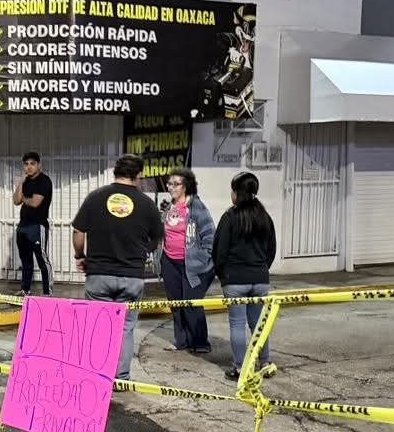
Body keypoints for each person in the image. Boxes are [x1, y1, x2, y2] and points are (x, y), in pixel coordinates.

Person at [71, 154, 163, 381]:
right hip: (131, 276)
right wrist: (142, 250)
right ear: (138, 175)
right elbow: (158, 238)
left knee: (98, 327)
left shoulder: (95, 198)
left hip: (99, 274)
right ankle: (121, 377)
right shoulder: (146, 203)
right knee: (125, 328)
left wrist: (80, 255)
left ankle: (98, 375)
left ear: (116, 172)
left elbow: (78, 233)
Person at [213, 172, 277, 381]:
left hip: (235, 279)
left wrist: (224, 275)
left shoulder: (230, 217)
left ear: (237, 192)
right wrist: (261, 269)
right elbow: (271, 249)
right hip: (260, 279)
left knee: (237, 324)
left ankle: (240, 367)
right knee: (259, 323)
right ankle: (264, 362)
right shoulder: (264, 217)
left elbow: (219, 251)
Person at [159, 166, 215, 354]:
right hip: (170, 262)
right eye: (169, 183)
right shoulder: (170, 207)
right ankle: (181, 340)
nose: (171, 187)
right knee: (176, 303)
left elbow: (209, 237)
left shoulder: (197, 208)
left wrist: (201, 260)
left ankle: (200, 342)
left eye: (176, 184)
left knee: (191, 303)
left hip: (191, 265)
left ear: (186, 186)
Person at [13, 151, 53, 296]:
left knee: (43, 261)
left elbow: (35, 203)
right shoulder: (26, 181)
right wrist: (21, 182)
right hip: (23, 227)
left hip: (37, 226)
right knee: (26, 261)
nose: (29, 167)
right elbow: (16, 200)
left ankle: (47, 293)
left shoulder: (44, 181)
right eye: (26, 164)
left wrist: (24, 198)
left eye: (32, 164)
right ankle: (25, 290)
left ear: (39, 165)